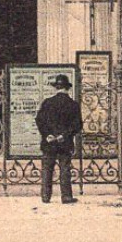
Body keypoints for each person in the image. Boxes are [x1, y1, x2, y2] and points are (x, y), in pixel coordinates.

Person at [35, 73, 82, 205]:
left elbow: (39, 120)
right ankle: (66, 196)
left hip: (49, 142)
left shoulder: (47, 103)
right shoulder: (73, 105)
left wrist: (47, 135)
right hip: (64, 142)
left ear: (56, 88)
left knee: (47, 168)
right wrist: (64, 135)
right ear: (67, 88)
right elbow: (77, 125)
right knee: (65, 168)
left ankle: (45, 196)